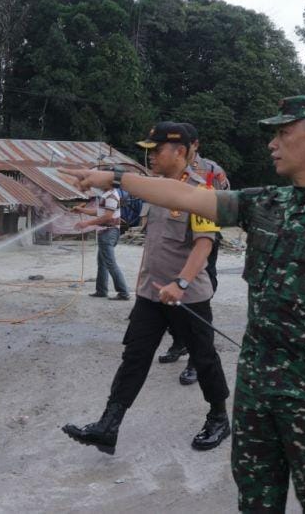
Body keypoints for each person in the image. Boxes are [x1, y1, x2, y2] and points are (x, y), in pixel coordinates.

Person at [61, 96, 305, 512]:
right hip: (257, 387)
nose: (272, 144)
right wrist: (112, 177)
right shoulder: (264, 204)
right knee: (255, 501)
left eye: (282, 133)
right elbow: (182, 195)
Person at [61, 121, 231, 455]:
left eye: (156, 150)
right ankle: (108, 426)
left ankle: (219, 417)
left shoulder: (203, 192)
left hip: (187, 297)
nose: (150, 156)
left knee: (204, 358)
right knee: (134, 357)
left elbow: (204, 246)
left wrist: (181, 283)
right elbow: (130, 207)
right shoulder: (154, 189)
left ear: (179, 151)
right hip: (151, 295)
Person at [158, 122, 230, 386]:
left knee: (197, 296)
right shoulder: (164, 172)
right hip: (172, 241)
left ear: (194, 146)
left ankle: (196, 361)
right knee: (168, 296)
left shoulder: (211, 170)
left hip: (202, 238)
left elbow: (224, 203)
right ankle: (179, 343)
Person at [72, 187, 130, 300]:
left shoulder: (111, 196)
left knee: (110, 263)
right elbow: (99, 212)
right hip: (106, 232)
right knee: (102, 263)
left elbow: (107, 216)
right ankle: (101, 290)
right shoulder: (106, 195)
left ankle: (123, 292)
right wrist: (82, 210)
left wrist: (87, 223)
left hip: (108, 232)